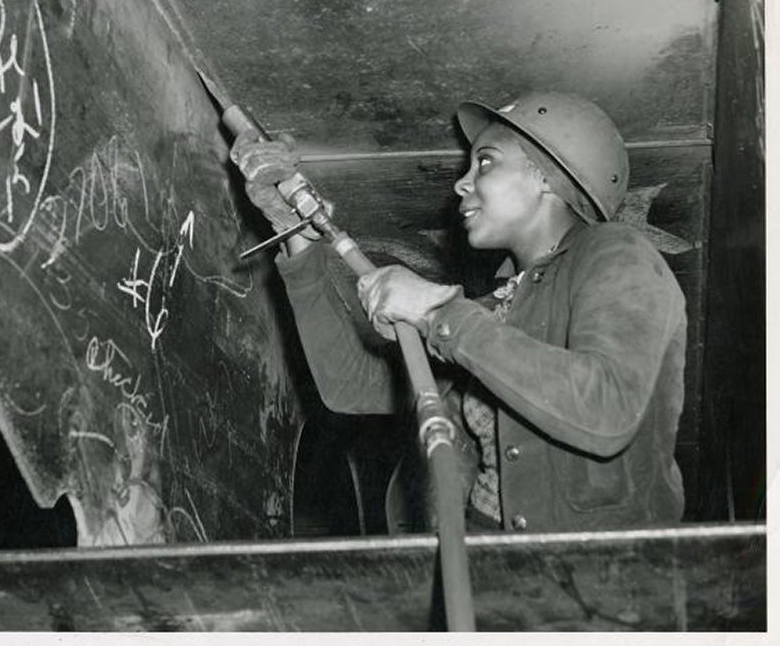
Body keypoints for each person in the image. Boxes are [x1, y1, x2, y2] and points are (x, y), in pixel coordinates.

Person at [231, 91, 686, 533]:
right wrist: (300, 238)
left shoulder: (619, 254)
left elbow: (606, 407)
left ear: (547, 176)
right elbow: (351, 384)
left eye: (485, 162)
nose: (461, 183)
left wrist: (437, 313)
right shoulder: (501, 308)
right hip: (487, 577)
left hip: (599, 593)